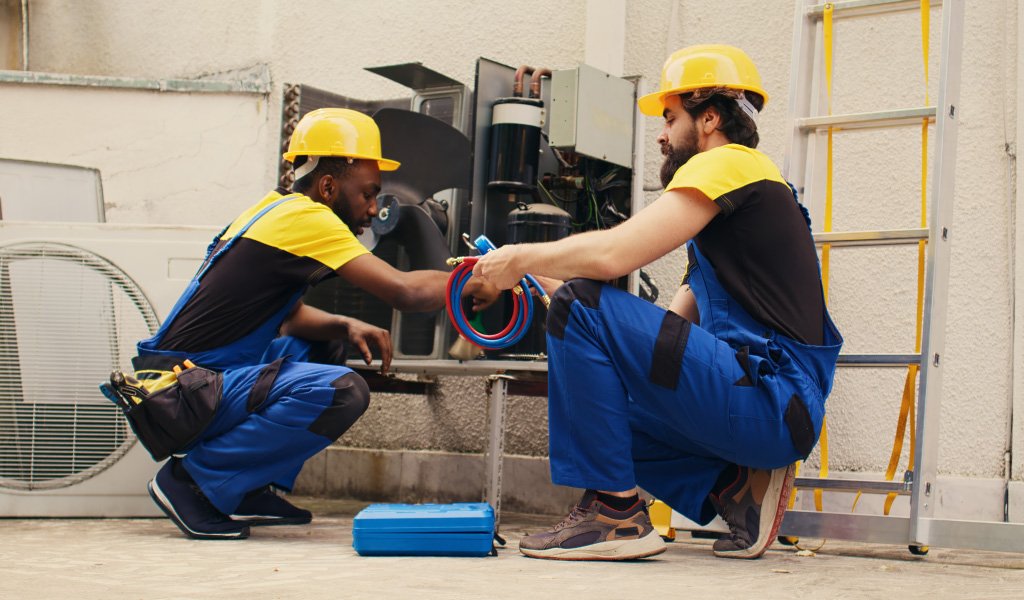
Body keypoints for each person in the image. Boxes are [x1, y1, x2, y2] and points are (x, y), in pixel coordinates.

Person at [473, 45, 843, 561]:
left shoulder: (729, 164)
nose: (662, 135)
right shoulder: (733, 216)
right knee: (600, 398)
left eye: (670, 117)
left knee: (583, 304)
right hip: (767, 404)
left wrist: (518, 257)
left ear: (710, 117)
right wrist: (550, 290)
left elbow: (614, 255)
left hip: (772, 398)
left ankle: (614, 516)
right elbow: (661, 342)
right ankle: (735, 490)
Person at [134, 108, 496, 540]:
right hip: (184, 393)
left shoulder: (275, 210)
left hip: (193, 379)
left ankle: (244, 486)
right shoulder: (310, 219)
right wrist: (476, 280)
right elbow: (405, 292)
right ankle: (192, 483)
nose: (374, 208)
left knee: (325, 346)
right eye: (367, 193)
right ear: (328, 187)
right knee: (343, 391)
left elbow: (284, 318)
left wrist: (344, 325)